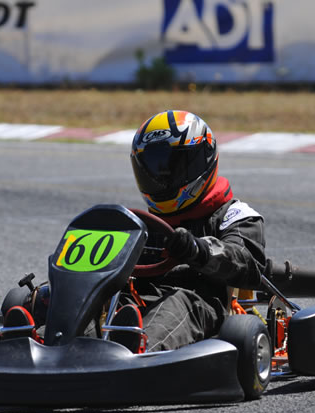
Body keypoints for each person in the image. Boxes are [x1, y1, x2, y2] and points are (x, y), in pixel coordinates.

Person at [109, 110, 267, 353]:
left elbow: (246, 263)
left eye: (169, 167)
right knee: (93, 298)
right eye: (152, 168)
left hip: (201, 306)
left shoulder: (235, 215)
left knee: (175, 303)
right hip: (140, 300)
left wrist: (198, 249)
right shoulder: (141, 224)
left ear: (202, 160)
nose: (160, 177)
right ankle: (53, 342)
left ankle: (135, 354)